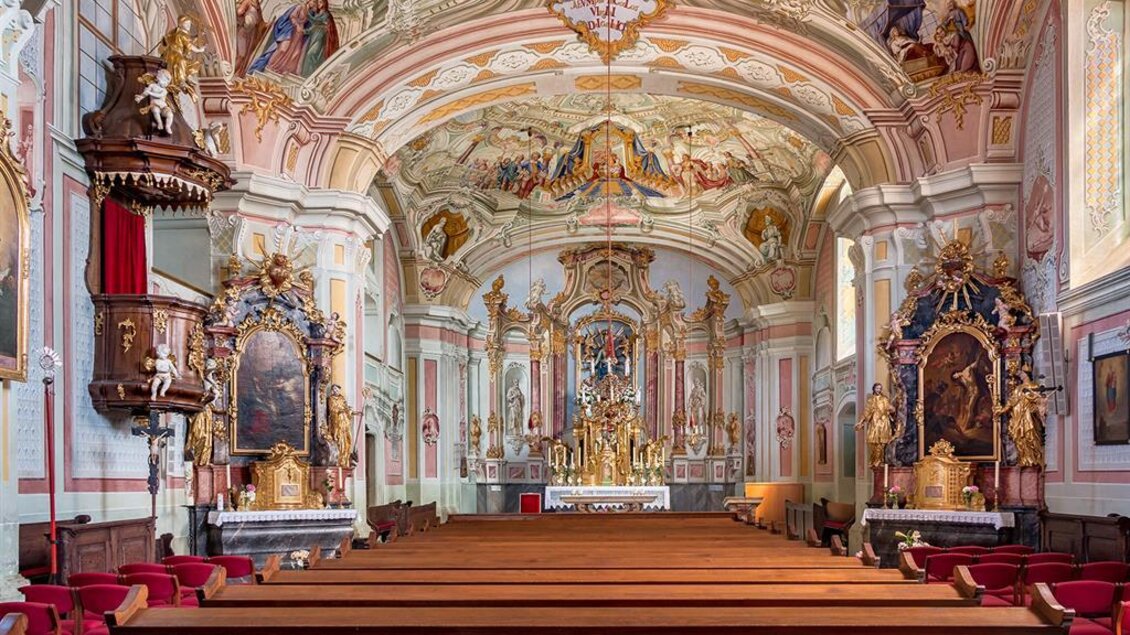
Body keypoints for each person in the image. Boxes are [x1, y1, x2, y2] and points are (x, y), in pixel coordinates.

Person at [856, 383, 895, 467]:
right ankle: (874, 459)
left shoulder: (884, 399)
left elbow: (891, 408)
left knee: (881, 443)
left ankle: (879, 460)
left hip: (883, 422)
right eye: (877, 388)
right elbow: (866, 412)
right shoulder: (871, 400)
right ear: (874, 389)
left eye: (880, 388)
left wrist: (890, 409)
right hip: (874, 422)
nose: (879, 390)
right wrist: (861, 422)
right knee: (874, 442)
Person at [326, 384, 353, 468]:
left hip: (345, 422)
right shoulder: (330, 399)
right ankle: (339, 459)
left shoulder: (342, 399)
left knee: (348, 439)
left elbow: (347, 409)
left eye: (337, 389)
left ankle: (345, 459)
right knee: (339, 439)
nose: (335, 391)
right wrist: (339, 411)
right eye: (334, 389)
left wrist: (350, 411)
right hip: (337, 423)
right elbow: (331, 410)